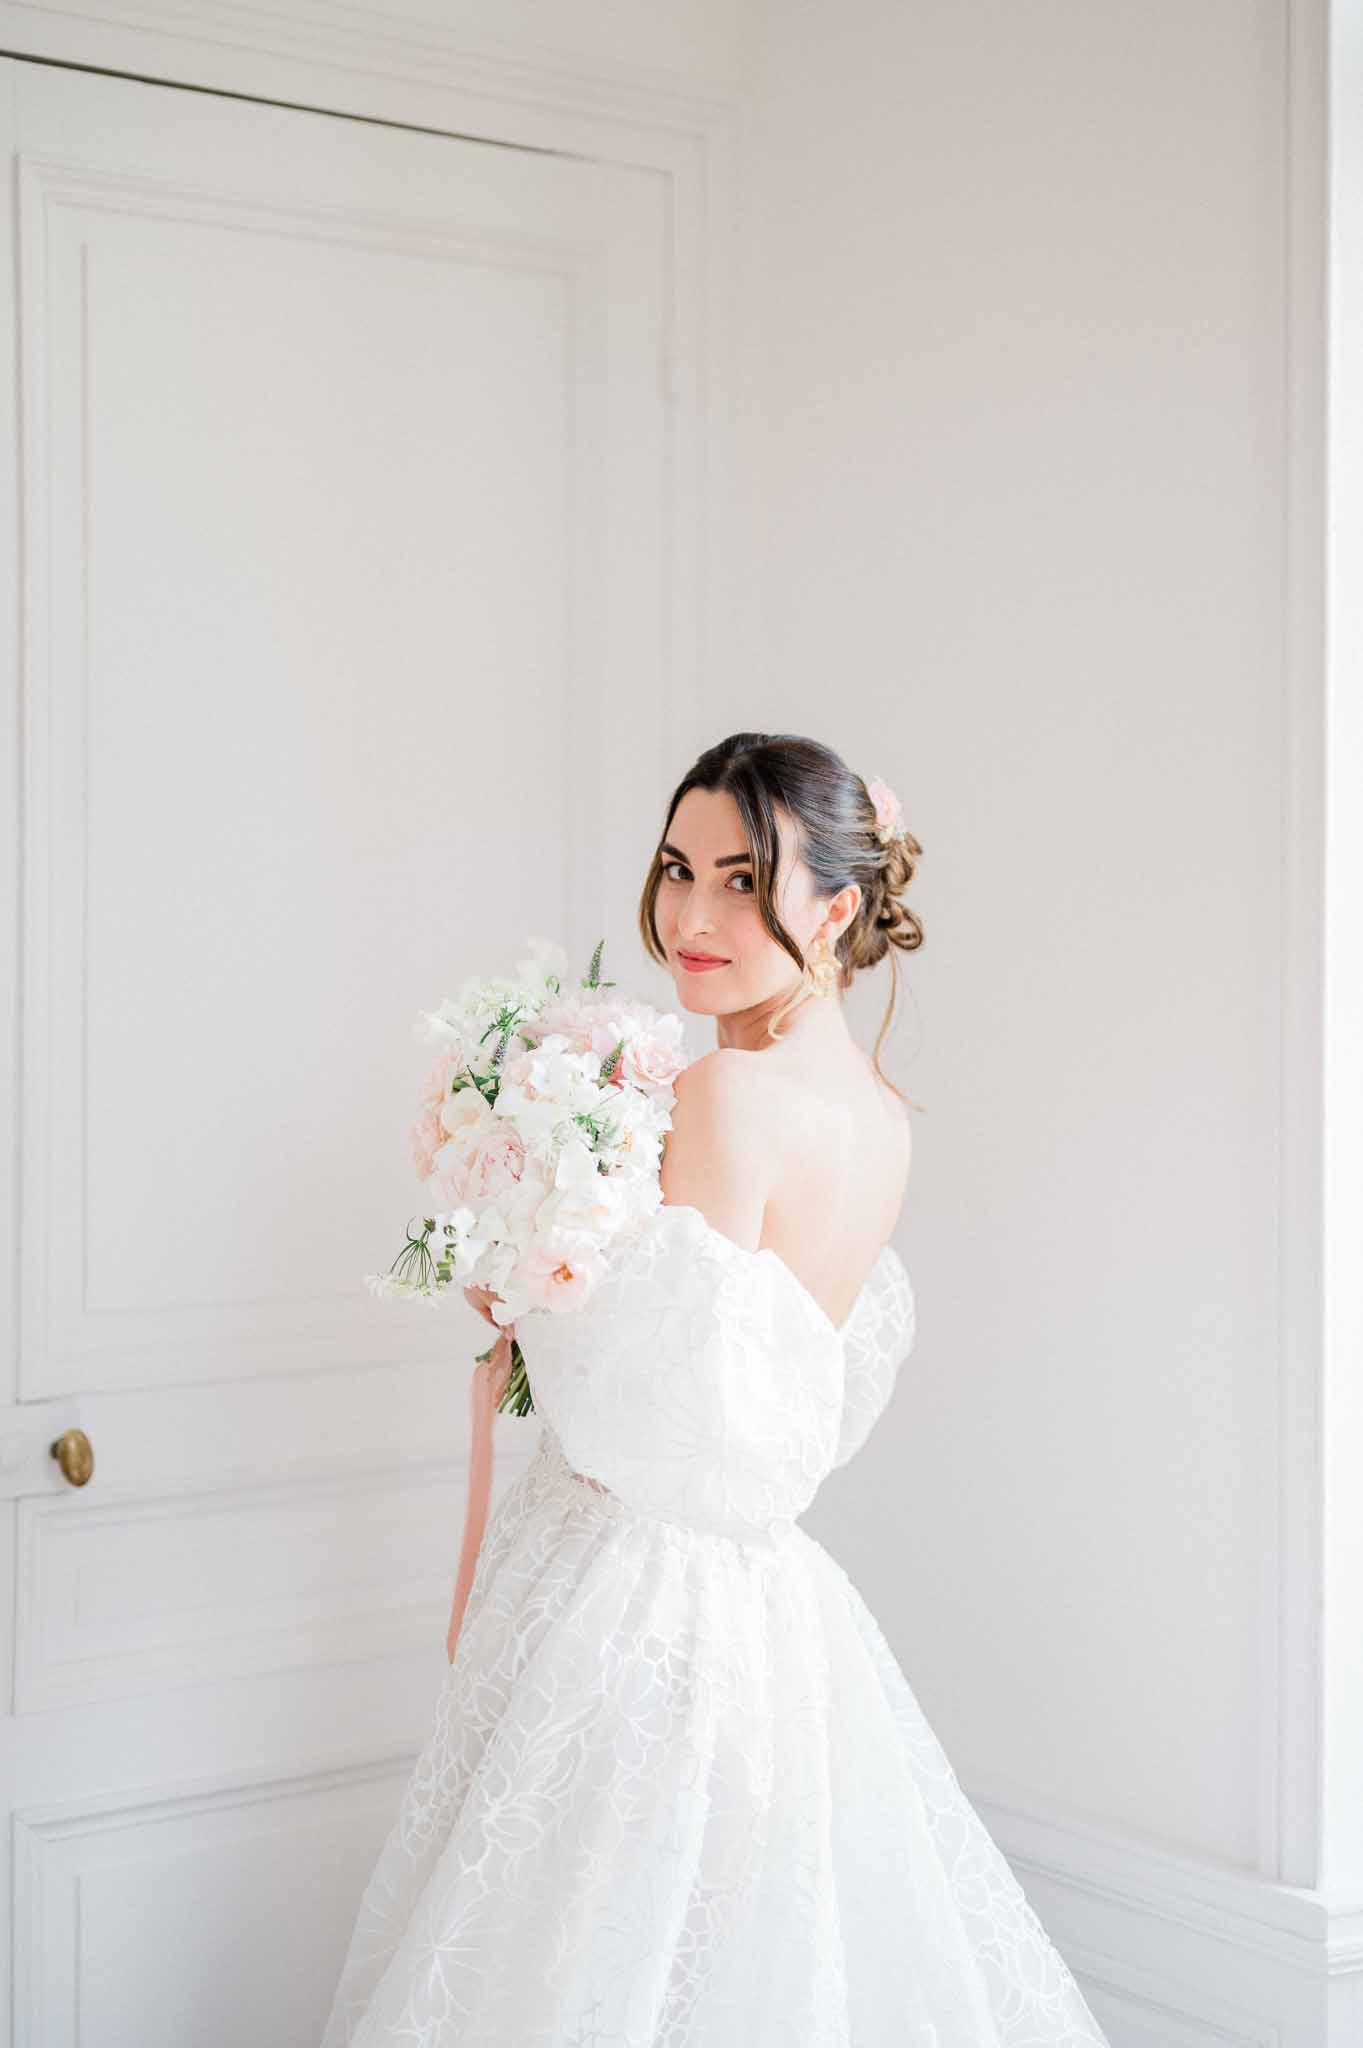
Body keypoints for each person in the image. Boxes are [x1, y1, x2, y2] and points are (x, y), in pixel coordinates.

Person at [320, 731, 1110, 2046]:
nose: (690, 918)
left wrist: (521, 1276)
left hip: (627, 1608)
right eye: (678, 869)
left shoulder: (724, 1095)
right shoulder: (882, 1120)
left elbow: (629, 1408)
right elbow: (733, 1382)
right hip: (770, 1616)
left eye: (744, 881)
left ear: (838, 908)